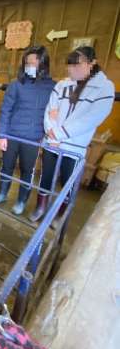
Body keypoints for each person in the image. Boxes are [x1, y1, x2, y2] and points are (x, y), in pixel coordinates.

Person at [30, 46, 115, 224]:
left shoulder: (104, 88)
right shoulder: (62, 85)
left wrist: (58, 134)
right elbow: (50, 110)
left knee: (68, 182)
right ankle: (41, 206)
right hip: (52, 143)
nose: (71, 70)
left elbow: (91, 118)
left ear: (92, 63)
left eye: (77, 65)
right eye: (69, 65)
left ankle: (60, 214)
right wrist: (51, 133)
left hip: (74, 146)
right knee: (46, 176)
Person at [0, 46, 55, 216]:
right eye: (27, 63)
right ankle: (2, 193)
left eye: (33, 63)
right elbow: (6, 110)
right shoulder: (16, 84)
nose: (30, 66)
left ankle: (21, 201)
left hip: (33, 138)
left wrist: (47, 135)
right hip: (12, 135)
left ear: (43, 64)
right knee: (7, 166)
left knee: (27, 170)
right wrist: (2, 135)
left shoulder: (52, 87)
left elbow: (53, 113)